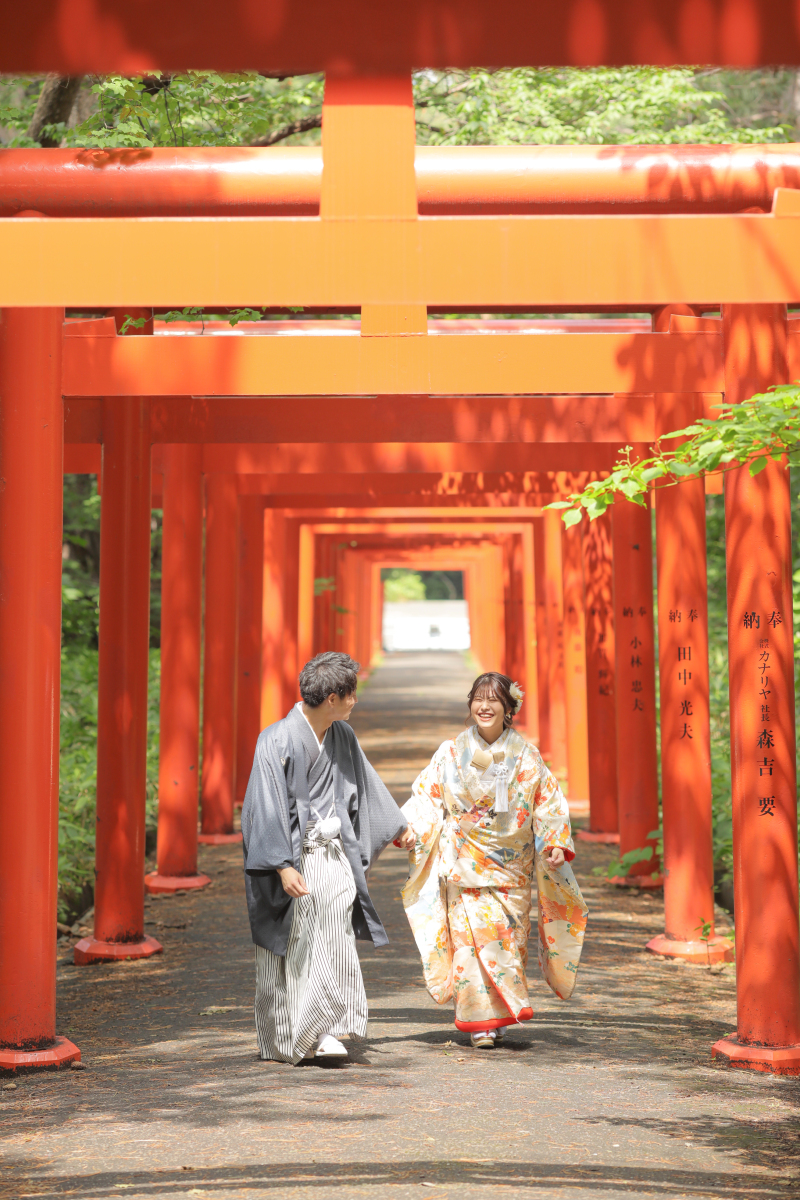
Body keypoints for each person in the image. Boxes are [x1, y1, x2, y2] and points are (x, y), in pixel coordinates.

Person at [241, 651, 415, 1064]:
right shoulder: (276, 740)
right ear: (333, 698)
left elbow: (365, 783)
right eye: (351, 694)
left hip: (332, 855)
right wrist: (282, 866)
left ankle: (325, 1028)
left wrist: (398, 826)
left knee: (334, 936)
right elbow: (263, 808)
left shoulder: (342, 735)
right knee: (299, 940)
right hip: (293, 856)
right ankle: (290, 1034)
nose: (355, 701)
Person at [400, 671, 588, 1048]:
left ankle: (498, 1013)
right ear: (470, 704)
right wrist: (411, 828)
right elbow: (426, 798)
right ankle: (479, 1021)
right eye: (478, 699)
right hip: (462, 863)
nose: (484, 707)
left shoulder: (527, 756)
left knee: (507, 943)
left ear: (508, 708)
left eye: (494, 700)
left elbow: (548, 803)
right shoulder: (450, 753)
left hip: (510, 867)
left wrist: (554, 841)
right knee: (468, 945)